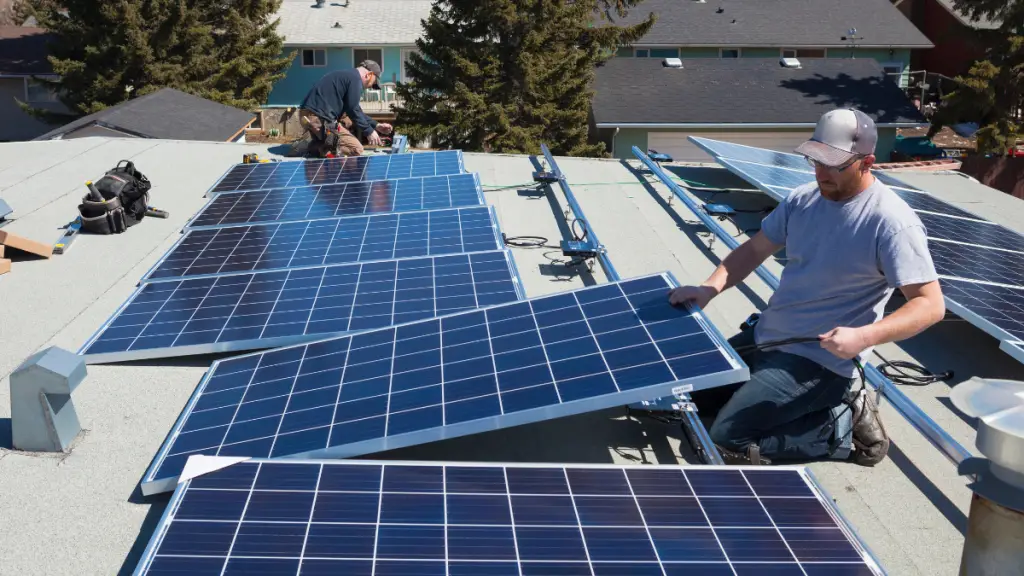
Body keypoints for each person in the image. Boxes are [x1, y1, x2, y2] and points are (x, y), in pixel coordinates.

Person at [669, 108, 945, 467]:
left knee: (724, 441)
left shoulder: (891, 223)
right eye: (815, 160)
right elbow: (754, 249)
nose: (821, 173)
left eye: (834, 165)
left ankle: (840, 426)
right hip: (769, 336)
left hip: (820, 362)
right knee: (689, 399)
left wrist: (864, 337)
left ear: (867, 162)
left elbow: (929, 304)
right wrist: (709, 288)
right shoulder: (803, 199)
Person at [298, 60, 393, 157]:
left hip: (308, 115)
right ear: (368, 75)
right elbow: (353, 110)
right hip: (319, 118)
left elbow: (356, 110)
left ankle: (313, 145)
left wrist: (376, 125)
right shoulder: (355, 80)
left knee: (346, 120)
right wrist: (369, 131)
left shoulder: (347, 76)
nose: (369, 87)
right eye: (373, 83)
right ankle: (311, 147)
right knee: (356, 149)